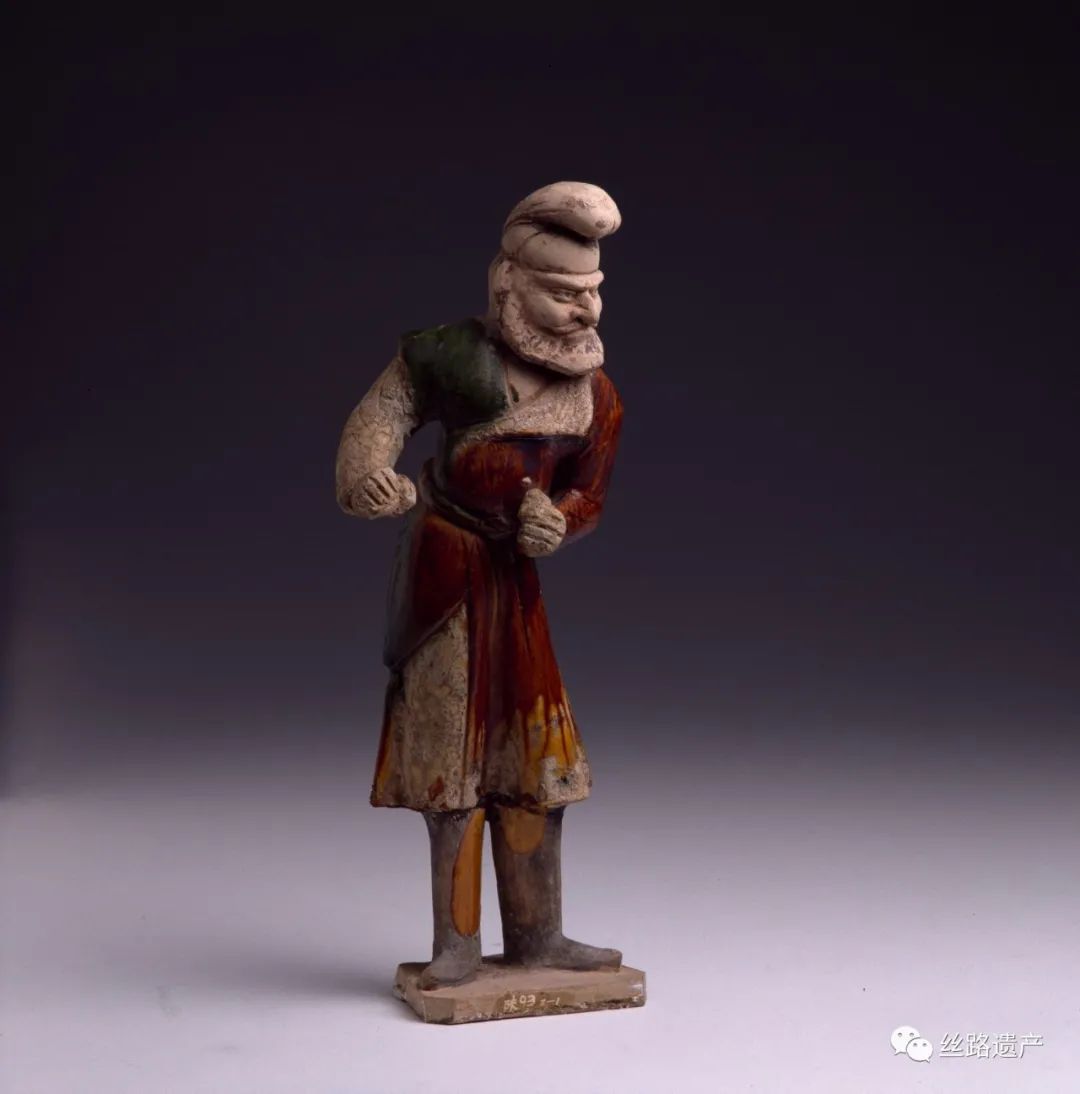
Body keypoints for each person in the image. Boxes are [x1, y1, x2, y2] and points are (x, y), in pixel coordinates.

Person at [336, 181, 625, 989]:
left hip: (516, 591)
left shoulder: (597, 394)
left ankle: (538, 936)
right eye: (564, 293)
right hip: (449, 579)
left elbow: (589, 495)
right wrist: (366, 476)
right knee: (450, 765)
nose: (586, 312)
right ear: (508, 282)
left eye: (593, 292)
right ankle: (457, 944)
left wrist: (558, 522)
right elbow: (378, 418)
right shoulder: (446, 356)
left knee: (534, 763)